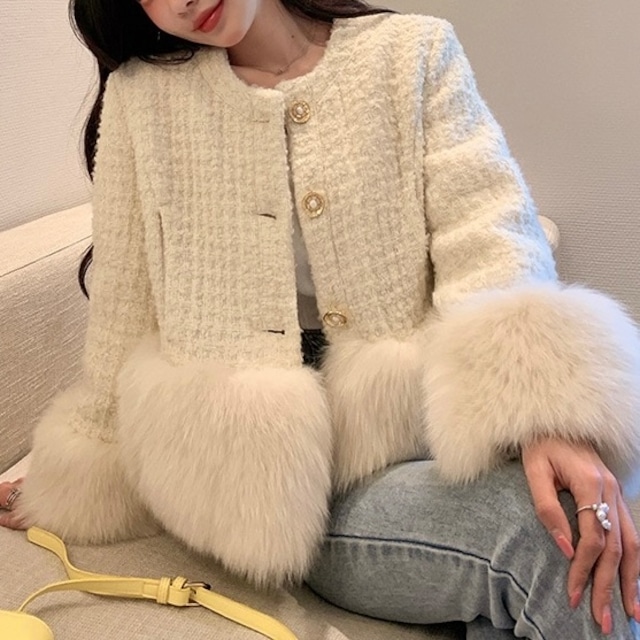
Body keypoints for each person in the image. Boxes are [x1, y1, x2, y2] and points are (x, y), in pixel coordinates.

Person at [2, 0, 640, 637]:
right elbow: (123, 301)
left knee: (593, 512)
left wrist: (546, 418)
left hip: (418, 432)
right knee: (551, 535)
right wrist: (75, 475)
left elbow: (489, 234)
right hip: (275, 491)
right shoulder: (144, 99)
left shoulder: (411, 54)